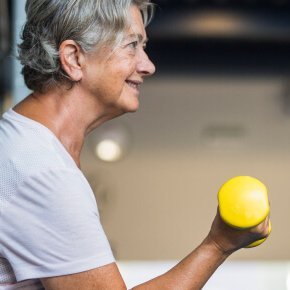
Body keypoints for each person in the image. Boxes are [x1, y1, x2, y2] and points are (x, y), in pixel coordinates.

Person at [0, 0, 269, 289]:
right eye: (132, 45)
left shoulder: (25, 147)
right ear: (74, 58)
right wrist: (218, 245)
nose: (148, 66)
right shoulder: (44, 173)